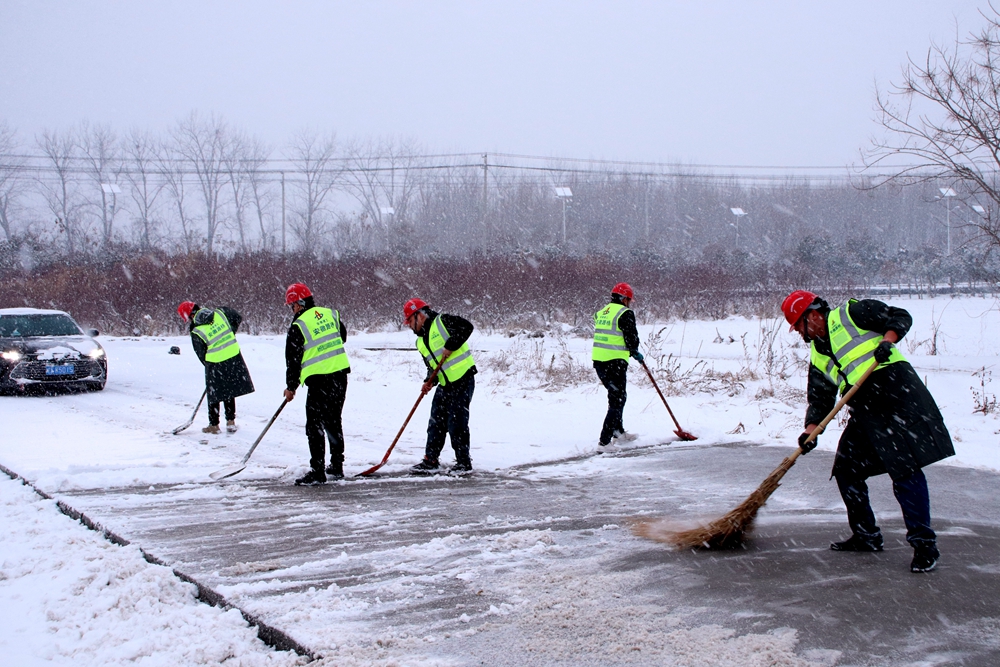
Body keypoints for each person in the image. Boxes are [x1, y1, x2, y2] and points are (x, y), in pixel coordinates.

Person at [782, 289, 954, 573]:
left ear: (812, 315)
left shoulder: (852, 314)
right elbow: (820, 397)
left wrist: (888, 341)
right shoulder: (817, 352)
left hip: (895, 395)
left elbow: (900, 316)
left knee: (904, 470)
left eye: (799, 325)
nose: (800, 333)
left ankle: (925, 545)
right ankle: (866, 535)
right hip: (864, 407)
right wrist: (811, 430)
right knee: (847, 468)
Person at [282, 283, 350, 486]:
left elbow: (293, 360)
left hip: (319, 381)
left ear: (299, 303)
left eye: (292, 305)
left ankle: (317, 470)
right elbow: (343, 337)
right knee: (333, 421)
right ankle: (337, 466)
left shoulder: (299, 325)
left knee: (314, 425)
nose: (292, 310)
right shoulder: (330, 314)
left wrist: (291, 387)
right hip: (339, 376)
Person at [404, 298, 477, 475]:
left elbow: (467, 327)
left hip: (462, 379)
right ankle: (431, 460)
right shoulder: (420, 342)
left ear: (419, 316)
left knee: (456, 423)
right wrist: (429, 381)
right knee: (436, 422)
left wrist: (451, 345)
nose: (409, 326)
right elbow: (432, 365)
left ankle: (463, 463)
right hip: (445, 384)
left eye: (409, 321)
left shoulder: (443, 321)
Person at [177, 301, 255, 434]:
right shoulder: (219, 313)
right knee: (229, 389)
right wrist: (230, 332)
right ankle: (230, 422)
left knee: (214, 392)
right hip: (233, 354)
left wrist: (208, 365)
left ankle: (214, 425)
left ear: (189, 315)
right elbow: (237, 317)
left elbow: (200, 352)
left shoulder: (196, 329)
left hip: (215, 361)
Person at [592, 282, 644, 448]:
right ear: (624, 299)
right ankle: (604, 441)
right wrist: (634, 350)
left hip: (599, 361)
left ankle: (618, 432)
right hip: (615, 362)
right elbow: (631, 338)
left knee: (616, 396)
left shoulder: (602, 312)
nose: (629, 303)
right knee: (618, 400)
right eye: (629, 300)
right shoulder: (625, 313)